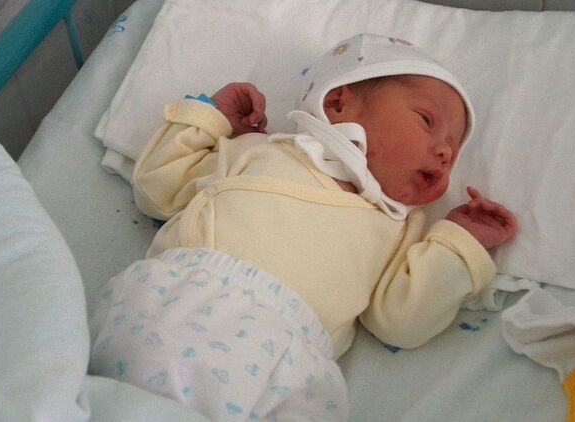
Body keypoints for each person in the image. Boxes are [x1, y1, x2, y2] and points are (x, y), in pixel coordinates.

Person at [89, 33, 517, 421]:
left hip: (288, 355)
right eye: (427, 121)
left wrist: (460, 243)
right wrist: (212, 118)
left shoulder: (399, 228)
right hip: (180, 304)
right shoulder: (257, 150)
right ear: (338, 104)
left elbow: (401, 322)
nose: (444, 152)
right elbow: (159, 188)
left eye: (453, 149)